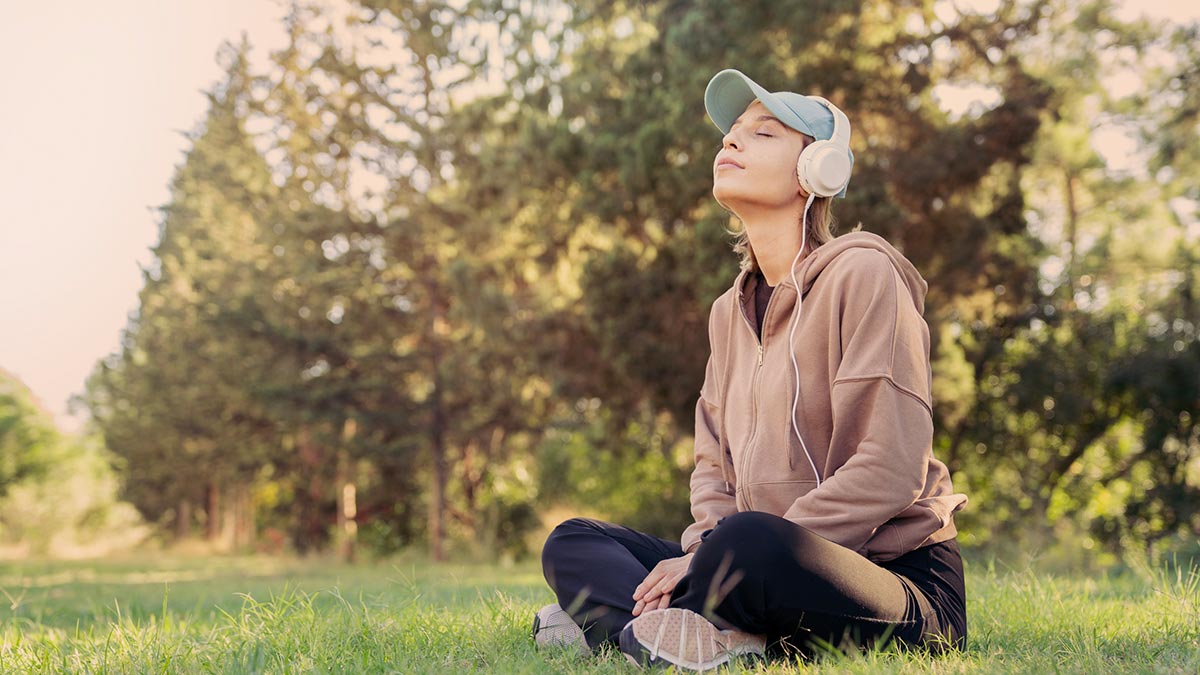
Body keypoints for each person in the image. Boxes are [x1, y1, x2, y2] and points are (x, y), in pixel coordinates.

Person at [531, 68, 969, 672]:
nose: (731, 142)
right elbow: (712, 471)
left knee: (749, 542)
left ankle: (626, 626)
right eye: (731, 133)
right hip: (747, 564)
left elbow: (890, 469)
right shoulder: (726, 313)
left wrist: (710, 557)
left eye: (762, 134)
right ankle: (699, 634)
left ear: (817, 170)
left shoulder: (865, 274)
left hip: (889, 581)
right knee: (574, 541)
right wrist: (703, 551)